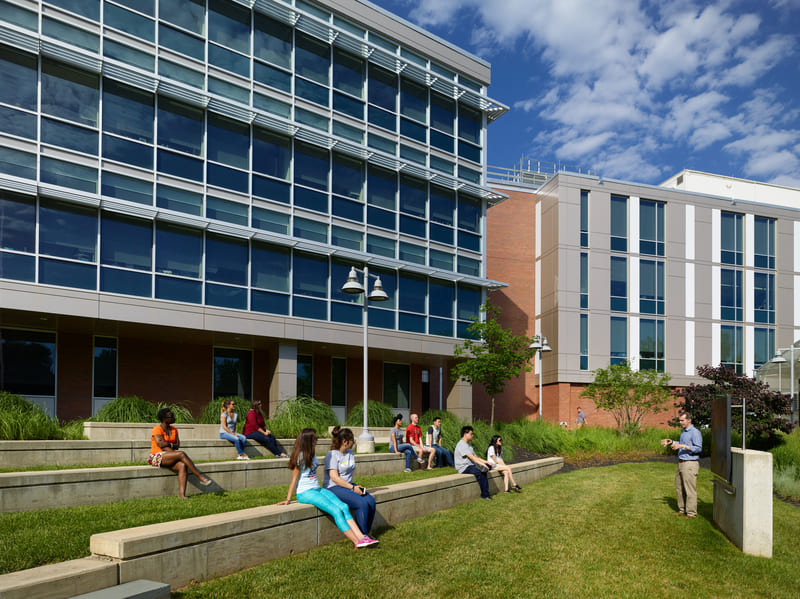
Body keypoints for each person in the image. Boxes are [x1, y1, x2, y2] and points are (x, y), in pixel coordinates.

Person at [277, 428, 378, 548]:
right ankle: (357, 542)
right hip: (305, 492)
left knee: (344, 507)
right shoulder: (300, 457)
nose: (317, 441)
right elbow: (294, 479)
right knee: (336, 511)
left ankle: (362, 537)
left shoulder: (312, 455)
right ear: (309, 440)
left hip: (317, 489)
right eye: (315, 439)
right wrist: (288, 499)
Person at [324, 426, 377, 536]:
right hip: (333, 487)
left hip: (348, 485)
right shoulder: (332, 455)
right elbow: (334, 477)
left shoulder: (350, 453)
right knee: (361, 503)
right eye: (352, 440)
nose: (354, 442)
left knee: (371, 501)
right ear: (345, 442)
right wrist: (352, 488)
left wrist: (354, 486)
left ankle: (366, 532)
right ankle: (363, 536)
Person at [148, 408, 212, 498]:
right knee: (181, 454)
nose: (173, 417)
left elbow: (177, 445)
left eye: (173, 415)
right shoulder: (157, 429)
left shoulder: (174, 430)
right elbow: (161, 444)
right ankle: (200, 477)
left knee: (182, 465)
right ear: (163, 418)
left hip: (168, 456)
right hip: (155, 457)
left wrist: (170, 447)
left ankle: (182, 495)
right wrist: (173, 448)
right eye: (170, 416)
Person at [661, 411, 702, 518]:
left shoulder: (695, 432)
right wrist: (672, 442)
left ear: (689, 420)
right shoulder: (684, 431)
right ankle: (682, 509)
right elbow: (682, 443)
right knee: (679, 488)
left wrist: (682, 446)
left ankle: (691, 513)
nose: (680, 422)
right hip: (681, 463)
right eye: (679, 420)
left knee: (689, 490)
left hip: (690, 464)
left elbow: (698, 448)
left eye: (682, 420)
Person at [454, 425, 493, 500]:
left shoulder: (468, 445)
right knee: (482, 471)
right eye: (471, 434)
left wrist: (486, 462)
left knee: (488, 466)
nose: (472, 435)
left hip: (471, 465)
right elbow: (472, 457)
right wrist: (483, 465)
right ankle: (485, 495)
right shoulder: (462, 444)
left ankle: (485, 494)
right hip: (464, 467)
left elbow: (476, 457)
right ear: (465, 434)